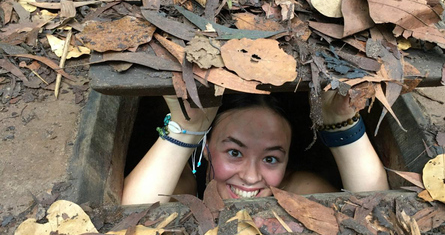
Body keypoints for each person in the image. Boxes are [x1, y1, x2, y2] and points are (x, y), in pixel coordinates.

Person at [122, 91, 389, 205]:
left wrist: (342, 126)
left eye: (271, 158)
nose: (251, 177)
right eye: (235, 153)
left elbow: (373, 212)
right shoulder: (181, 186)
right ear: (206, 147)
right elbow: (130, 217)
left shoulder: (297, 189)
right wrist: (186, 129)